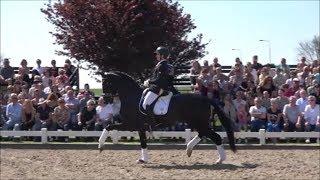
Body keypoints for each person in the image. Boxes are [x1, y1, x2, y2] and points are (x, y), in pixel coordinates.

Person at [142, 46, 176, 115]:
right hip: (165, 87)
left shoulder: (162, 65)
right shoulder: (167, 65)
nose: (156, 56)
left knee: (145, 105)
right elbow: (159, 77)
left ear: (162, 55)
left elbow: (160, 80)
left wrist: (149, 82)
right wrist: (150, 80)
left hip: (159, 88)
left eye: (157, 54)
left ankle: (152, 124)